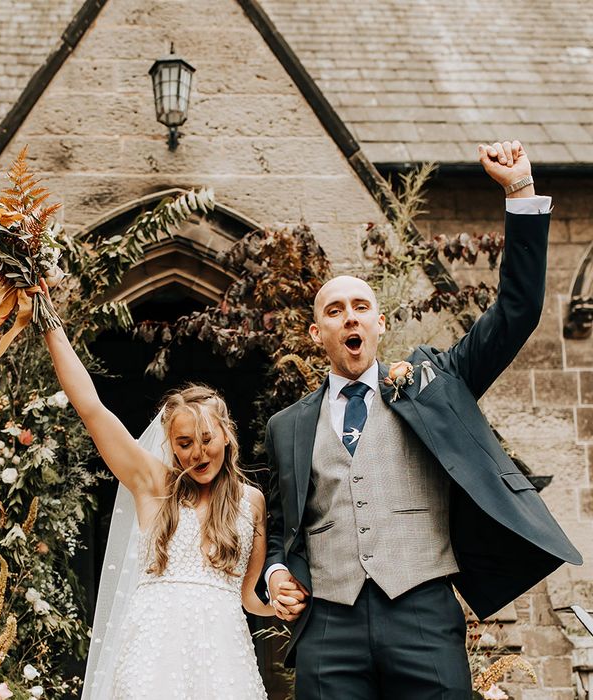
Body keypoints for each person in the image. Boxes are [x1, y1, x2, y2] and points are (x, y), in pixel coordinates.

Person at [263, 140, 583, 699]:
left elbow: (516, 312)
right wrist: (276, 573)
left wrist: (520, 191)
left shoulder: (435, 384)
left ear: (380, 324)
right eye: (334, 311)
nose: (349, 318)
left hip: (422, 615)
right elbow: (276, 528)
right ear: (318, 336)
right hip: (329, 627)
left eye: (360, 307)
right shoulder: (286, 426)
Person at [42, 312, 279, 699]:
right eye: (184, 443)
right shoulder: (154, 486)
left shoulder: (250, 501)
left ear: (226, 435)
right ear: (171, 444)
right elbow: (91, 408)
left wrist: (283, 607)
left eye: (206, 439)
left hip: (223, 655)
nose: (198, 453)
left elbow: (250, 598)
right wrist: (49, 320)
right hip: (152, 650)